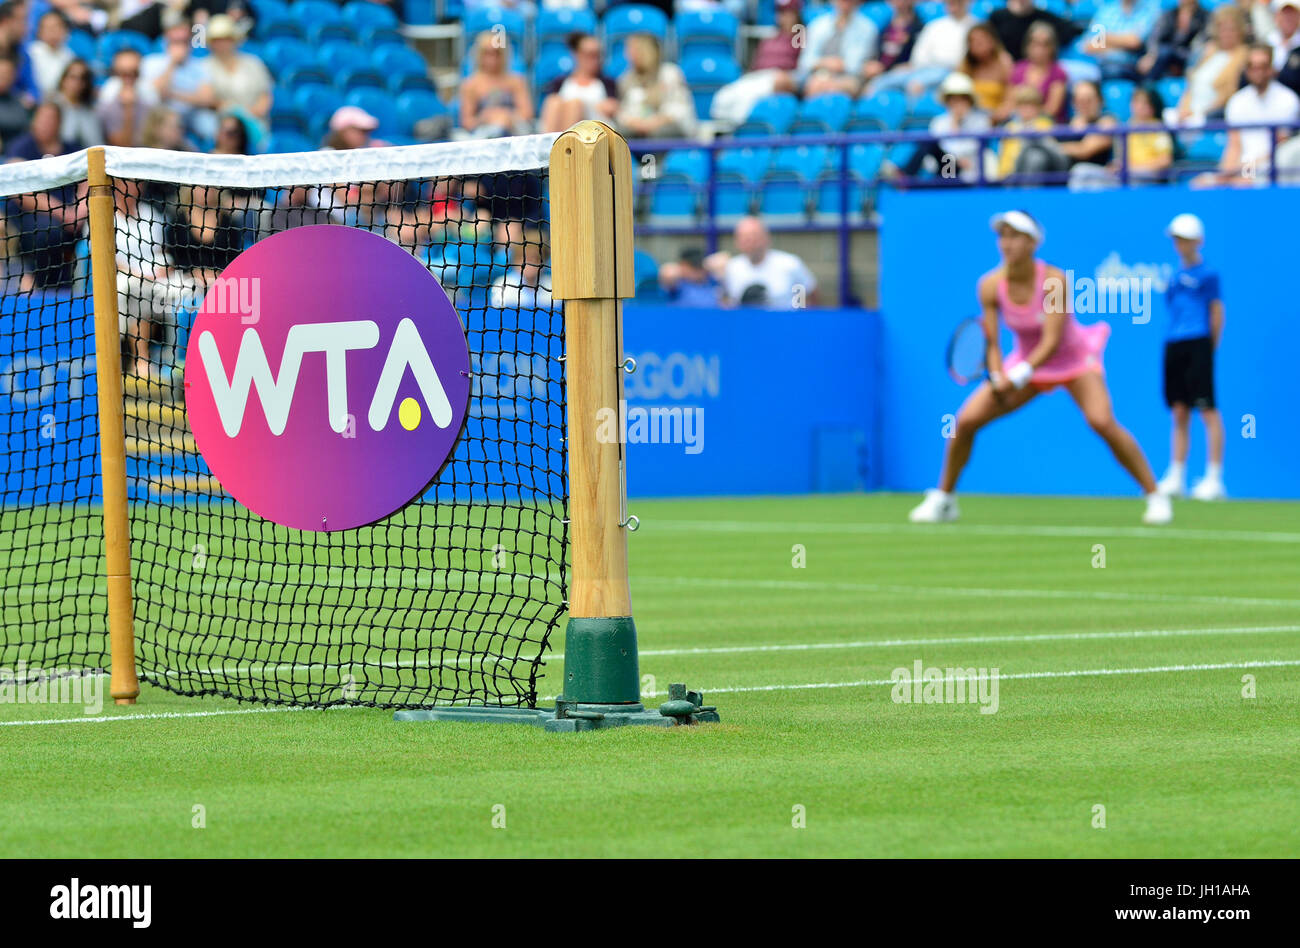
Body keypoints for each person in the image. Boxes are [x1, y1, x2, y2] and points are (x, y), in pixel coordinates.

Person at [909, 210, 1171, 525]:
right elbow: (991, 340)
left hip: (1074, 360)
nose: (1006, 243)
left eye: (1015, 236)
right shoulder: (990, 286)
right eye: (1002, 236)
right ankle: (945, 499)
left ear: (1033, 243)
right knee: (964, 422)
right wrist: (997, 375)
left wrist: (1015, 377)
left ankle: (1155, 496)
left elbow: (1052, 342)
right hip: (1024, 363)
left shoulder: (1054, 281)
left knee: (1101, 421)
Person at [1155, 213, 1225, 501]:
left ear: (1197, 241)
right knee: (1179, 410)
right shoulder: (1171, 277)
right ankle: (1177, 475)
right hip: (1174, 344)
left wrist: (1208, 348)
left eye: (1184, 239)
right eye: (1176, 239)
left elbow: (1217, 313)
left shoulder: (1208, 275)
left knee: (1207, 410)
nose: (1179, 244)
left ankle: (1213, 477)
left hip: (1199, 344)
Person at [1193, 43, 1300, 186]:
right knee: (1201, 184)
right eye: (1252, 66)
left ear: (1271, 69)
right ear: (1246, 70)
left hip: (1275, 168)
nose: (1257, 71)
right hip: (1246, 166)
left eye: (1262, 66)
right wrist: (1224, 176)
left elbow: (1281, 147)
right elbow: (1234, 145)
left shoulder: (1288, 100)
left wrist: (1244, 173)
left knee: (1246, 181)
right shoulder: (1237, 101)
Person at [890, 70, 991, 182]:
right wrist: (954, 125)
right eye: (953, 100)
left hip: (969, 169)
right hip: (946, 167)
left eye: (962, 99)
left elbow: (974, 147)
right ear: (947, 102)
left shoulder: (980, 121)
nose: (957, 104)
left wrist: (956, 132)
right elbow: (939, 149)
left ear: (969, 101)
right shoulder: (939, 122)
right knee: (929, 143)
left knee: (948, 159)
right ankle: (906, 178)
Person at [869, 0, 975, 95]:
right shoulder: (933, 26)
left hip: (951, 71)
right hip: (923, 70)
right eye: (950, 2)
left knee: (917, 83)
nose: (953, 4)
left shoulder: (974, 26)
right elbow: (919, 57)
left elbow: (965, 60)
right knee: (879, 83)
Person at [711, 216, 817, 310]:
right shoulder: (731, 268)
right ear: (737, 241)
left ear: (766, 238)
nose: (750, 241)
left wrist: (798, 320)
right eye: (745, 238)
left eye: (754, 236)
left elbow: (808, 296)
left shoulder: (790, 264)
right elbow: (726, 304)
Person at [142, 13, 216, 142]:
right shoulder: (151, 62)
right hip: (162, 113)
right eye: (175, 41)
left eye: (184, 41)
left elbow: (207, 99)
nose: (180, 46)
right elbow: (158, 93)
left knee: (209, 124)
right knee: (167, 121)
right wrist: (173, 63)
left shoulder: (200, 65)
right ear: (166, 41)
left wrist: (173, 94)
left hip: (192, 114)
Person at [1170, 5, 1249, 125]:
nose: (1226, 34)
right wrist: (1184, 110)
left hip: (1212, 115)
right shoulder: (1210, 51)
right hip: (1191, 113)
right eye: (1223, 29)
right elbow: (1191, 85)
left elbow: (1228, 94)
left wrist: (1199, 114)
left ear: (1240, 31)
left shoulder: (1243, 55)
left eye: (1231, 29)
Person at [616, 32, 696, 138]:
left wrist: (655, 122)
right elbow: (623, 112)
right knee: (620, 134)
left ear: (644, 51)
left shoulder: (670, 73)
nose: (627, 55)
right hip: (638, 130)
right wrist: (635, 123)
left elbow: (679, 110)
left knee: (660, 133)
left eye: (631, 50)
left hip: (669, 129)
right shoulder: (626, 78)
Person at [200, 13, 272, 129]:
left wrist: (250, 116)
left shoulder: (253, 63)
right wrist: (236, 113)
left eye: (226, 39)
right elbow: (208, 99)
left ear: (234, 40)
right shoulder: (203, 66)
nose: (222, 44)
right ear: (211, 43)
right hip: (221, 124)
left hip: (255, 123)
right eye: (217, 40)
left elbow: (265, 96)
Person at [796, 0, 879, 98]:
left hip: (850, 78)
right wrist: (826, 63)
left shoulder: (867, 28)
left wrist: (835, 68)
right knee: (813, 84)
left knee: (833, 87)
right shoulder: (817, 25)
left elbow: (855, 65)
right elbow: (805, 62)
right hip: (817, 75)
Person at [538, 32, 618, 133]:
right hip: (562, 125)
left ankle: (567, 145)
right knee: (553, 101)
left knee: (575, 105)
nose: (595, 60)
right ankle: (551, 144)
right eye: (589, 55)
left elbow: (612, 108)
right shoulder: (561, 82)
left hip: (595, 130)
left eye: (597, 55)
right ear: (577, 54)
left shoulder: (607, 82)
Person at [458, 33, 534, 139]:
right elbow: (467, 122)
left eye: (496, 53)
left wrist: (506, 116)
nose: (492, 58)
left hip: (513, 132)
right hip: (484, 135)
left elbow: (527, 113)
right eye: (487, 53)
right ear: (479, 55)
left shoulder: (516, 82)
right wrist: (486, 117)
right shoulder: (471, 85)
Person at [1083, 0, 1162, 81]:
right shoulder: (1106, 10)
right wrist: (1123, 42)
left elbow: (1134, 42)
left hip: (1129, 67)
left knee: (1112, 72)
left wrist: (1105, 38)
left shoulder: (1149, 10)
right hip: (1100, 65)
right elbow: (1089, 45)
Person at [1009, 20, 1069, 123]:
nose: (1040, 49)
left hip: (1047, 125)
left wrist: (1029, 116)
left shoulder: (1058, 72)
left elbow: (1052, 109)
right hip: (1019, 123)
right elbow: (1011, 102)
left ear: (1052, 47)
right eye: (1036, 43)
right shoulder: (1018, 69)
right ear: (1028, 45)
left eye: (1045, 45)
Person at [97, 47, 156, 146]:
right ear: (116, 73)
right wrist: (128, 110)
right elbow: (122, 146)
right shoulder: (108, 97)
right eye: (123, 73)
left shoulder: (148, 92)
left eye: (134, 73)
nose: (128, 79)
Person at [1137, 0, 1207, 80]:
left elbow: (1199, 44)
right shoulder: (1169, 14)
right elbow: (1155, 38)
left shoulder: (1205, 17)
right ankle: (1148, 85)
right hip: (1164, 58)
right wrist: (1151, 55)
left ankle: (1147, 86)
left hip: (1187, 57)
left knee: (1166, 51)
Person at [959, 20, 1012, 117]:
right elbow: (958, 96)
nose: (976, 44)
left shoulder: (1004, 62)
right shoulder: (965, 66)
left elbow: (1010, 94)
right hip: (971, 118)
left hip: (999, 117)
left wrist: (1002, 112)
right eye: (972, 41)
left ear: (992, 41)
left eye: (981, 40)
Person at [864, 0, 923, 83]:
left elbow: (917, 59)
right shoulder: (885, 25)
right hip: (880, 70)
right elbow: (877, 52)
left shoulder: (917, 28)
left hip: (901, 73)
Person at [50, 57, 100, 148]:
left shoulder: (90, 111)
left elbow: (96, 144)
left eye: (82, 79)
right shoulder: (50, 107)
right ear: (63, 79)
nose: (77, 83)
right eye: (73, 77)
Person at [26, 8, 73, 100]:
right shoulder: (30, 52)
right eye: (48, 28)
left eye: (56, 27)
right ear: (39, 31)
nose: (52, 31)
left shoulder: (69, 56)